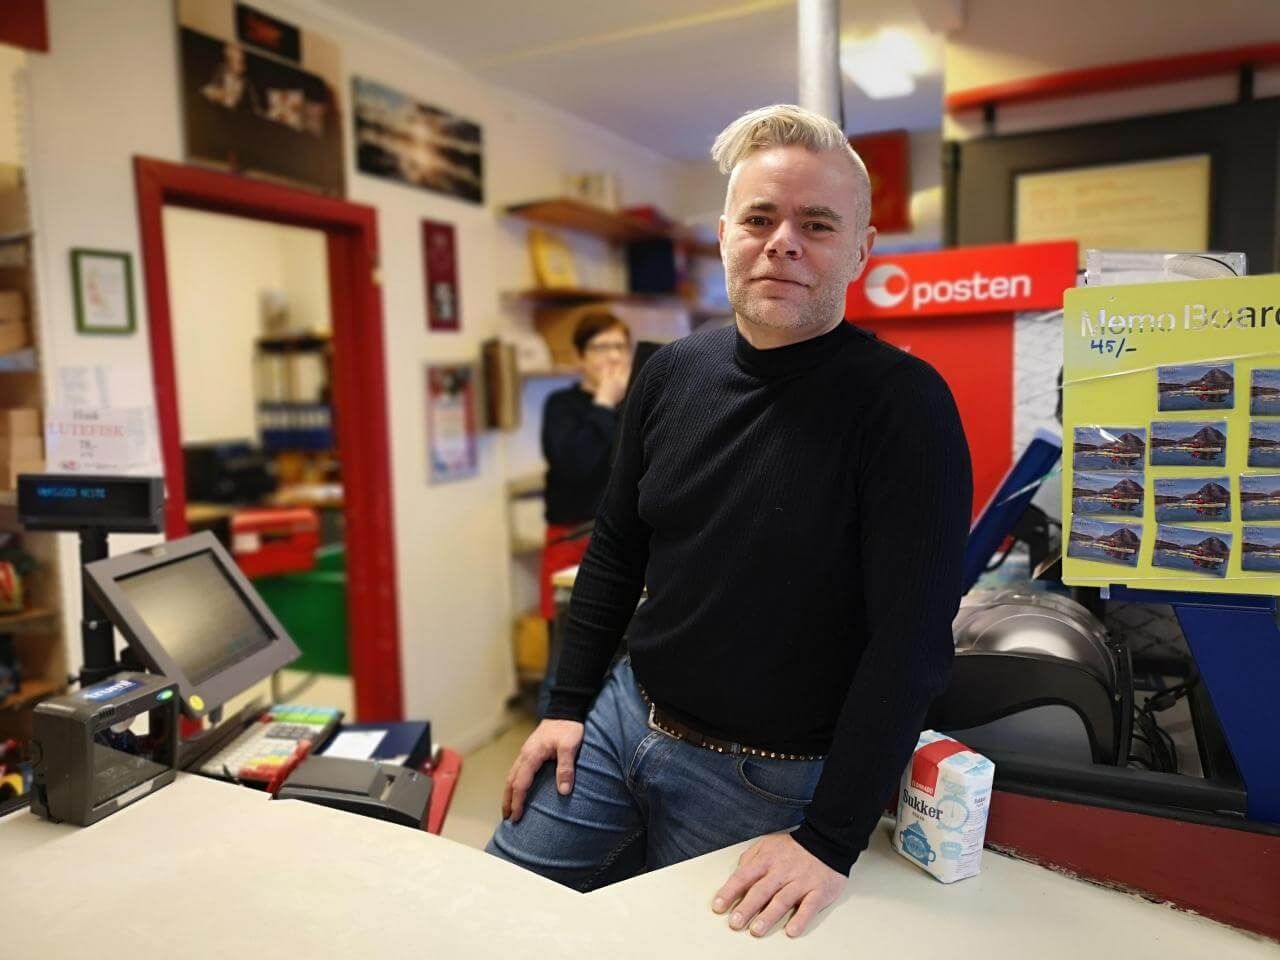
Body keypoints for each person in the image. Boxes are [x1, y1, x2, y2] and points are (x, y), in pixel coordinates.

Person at [486, 104, 972, 940]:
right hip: (622, 719)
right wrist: (565, 703)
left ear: (861, 249)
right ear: (723, 236)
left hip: (767, 779)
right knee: (488, 916)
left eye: (817, 224)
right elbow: (616, 550)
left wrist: (829, 840)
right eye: (760, 218)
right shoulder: (671, 373)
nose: (783, 242)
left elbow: (911, 644)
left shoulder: (904, 407)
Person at [535, 313, 632, 716]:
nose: (612, 356)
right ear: (579, 358)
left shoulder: (639, 402)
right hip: (572, 541)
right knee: (566, 660)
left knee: (624, 660)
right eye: (600, 347)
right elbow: (575, 464)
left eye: (619, 346)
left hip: (626, 543)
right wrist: (604, 404)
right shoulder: (562, 406)